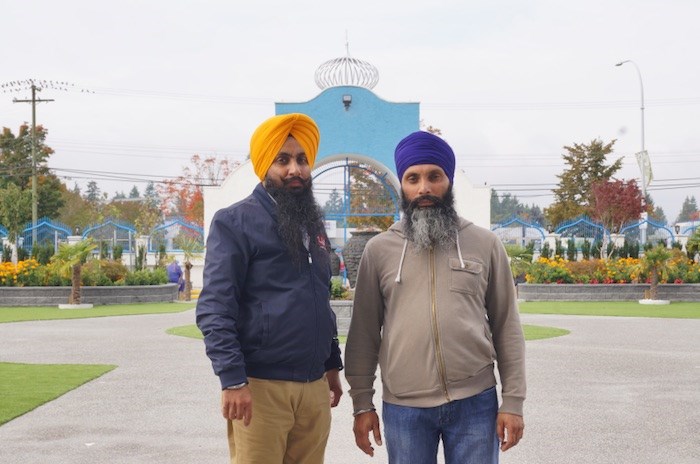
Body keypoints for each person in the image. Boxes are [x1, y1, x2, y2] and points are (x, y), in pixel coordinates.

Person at [345, 131, 526, 464]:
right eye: (413, 178)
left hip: (476, 403)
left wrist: (512, 401)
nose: (424, 188)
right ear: (402, 185)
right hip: (404, 408)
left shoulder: (485, 244)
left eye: (434, 176)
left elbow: (507, 328)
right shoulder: (379, 251)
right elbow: (363, 335)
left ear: (449, 181)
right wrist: (362, 403)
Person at [196, 113, 343, 464]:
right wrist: (232, 380)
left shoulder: (313, 225)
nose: (295, 169)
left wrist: (331, 364)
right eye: (283, 160)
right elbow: (215, 306)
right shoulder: (235, 222)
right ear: (264, 165)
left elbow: (319, 299)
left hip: (314, 388)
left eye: (302, 160)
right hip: (261, 388)